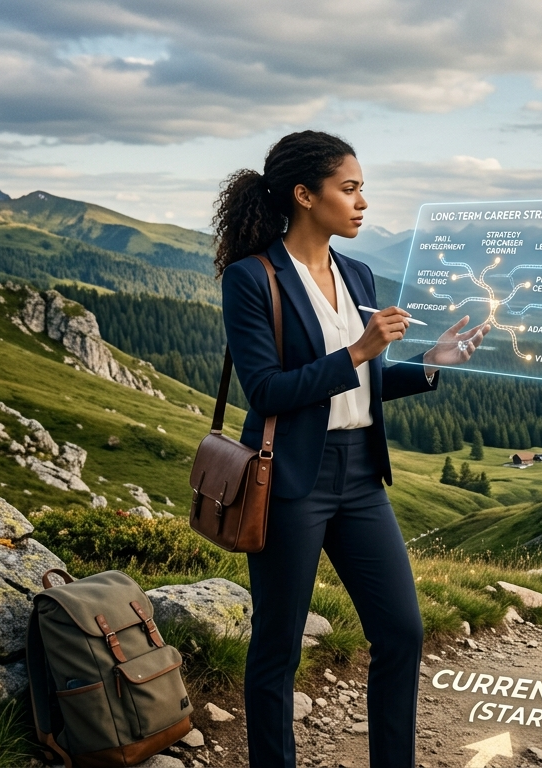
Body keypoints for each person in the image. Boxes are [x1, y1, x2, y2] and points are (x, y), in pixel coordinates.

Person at [212, 130, 488, 767]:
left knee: (401, 632)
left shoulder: (356, 272)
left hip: (362, 475)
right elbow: (267, 390)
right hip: (290, 478)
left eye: (362, 189)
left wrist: (428, 363)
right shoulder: (252, 279)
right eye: (350, 188)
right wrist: (360, 349)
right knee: (278, 647)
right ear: (305, 195)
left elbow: (362, 382)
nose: (363, 202)